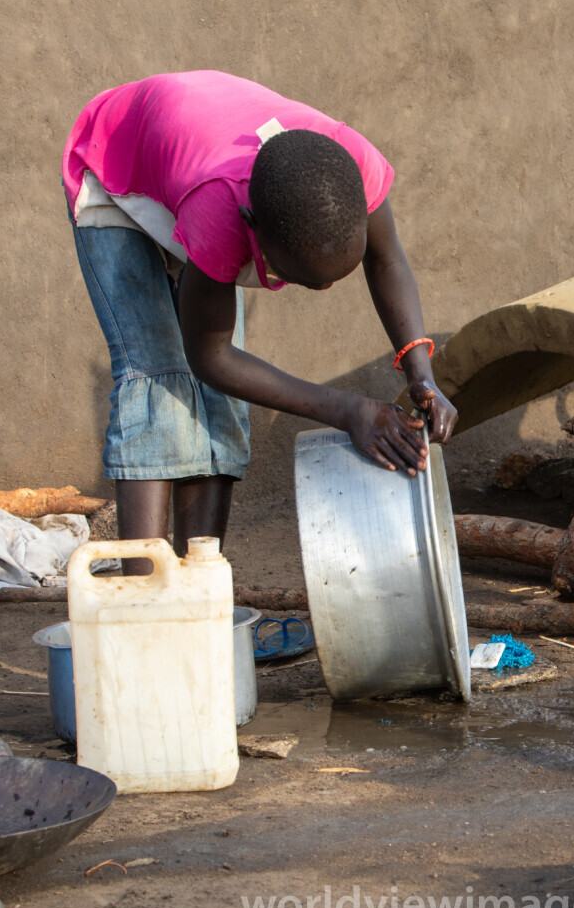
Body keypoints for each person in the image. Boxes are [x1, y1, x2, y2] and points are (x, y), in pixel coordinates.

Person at [62, 71, 458, 560]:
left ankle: (201, 581)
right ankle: (146, 596)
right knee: (158, 378)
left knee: (220, 403)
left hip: (185, 156)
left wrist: (423, 374)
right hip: (115, 171)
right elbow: (210, 357)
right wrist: (348, 410)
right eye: (301, 278)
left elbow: (388, 259)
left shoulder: (354, 168)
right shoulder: (218, 210)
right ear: (252, 231)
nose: (326, 288)